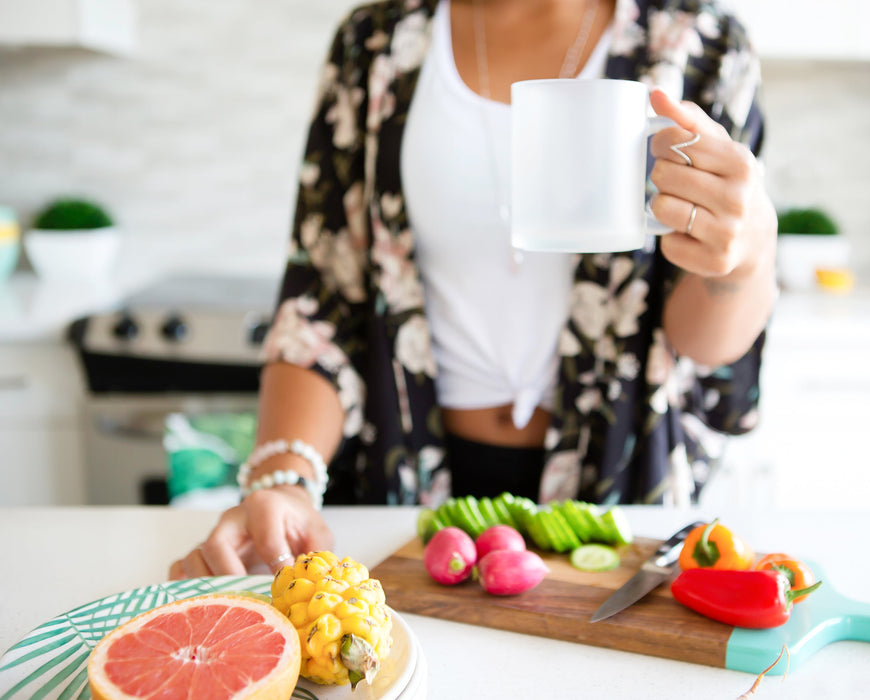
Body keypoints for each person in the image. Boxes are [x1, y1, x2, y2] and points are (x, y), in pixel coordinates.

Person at [170, 0, 776, 580]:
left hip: (618, 497)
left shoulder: (703, 43)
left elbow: (701, 344)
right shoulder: (374, 43)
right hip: (399, 494)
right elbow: (321, 297)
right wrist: (284, 480)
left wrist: (743, 261)